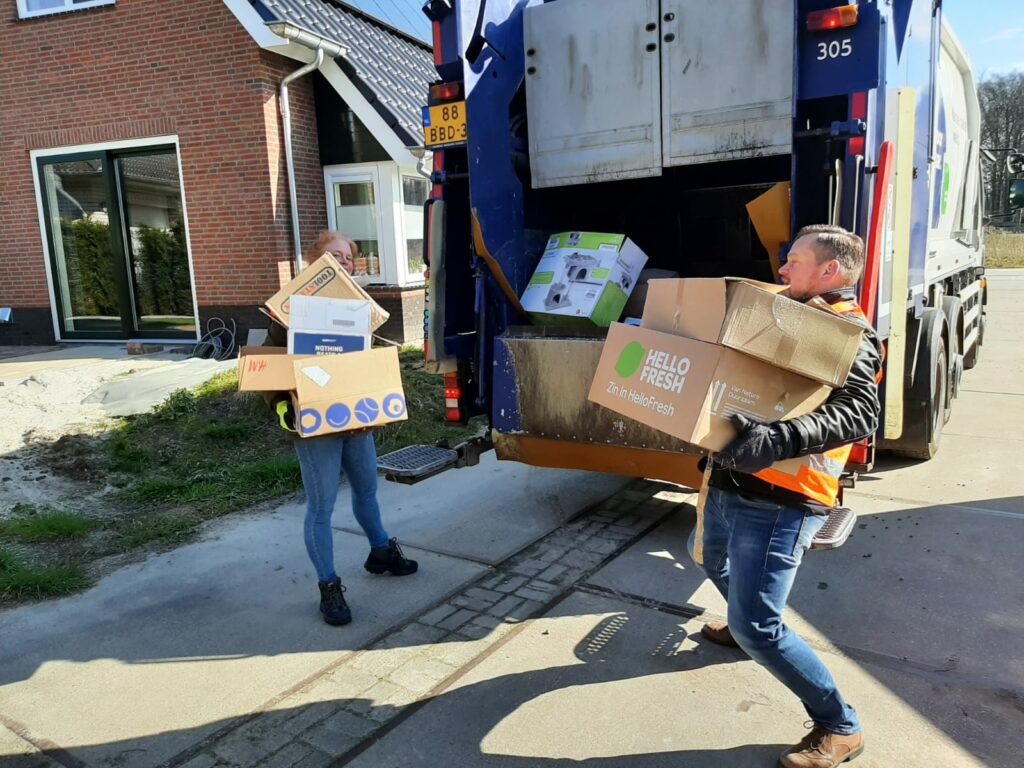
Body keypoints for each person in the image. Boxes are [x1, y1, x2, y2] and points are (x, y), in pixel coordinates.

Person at [690, 224, 882, 768]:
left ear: (830, 270)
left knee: (759, 626)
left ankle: (840, 726)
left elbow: (860, 414)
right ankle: (744, 622)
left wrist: (778, 440)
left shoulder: (850, 333)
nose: (782, 269)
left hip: (781, 498)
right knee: (706, 556)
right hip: (733, 475)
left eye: (794, 260)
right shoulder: (787, 312)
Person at [267, 231, 417, 627]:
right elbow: (269, 367)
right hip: (316, 424)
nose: (344, 263)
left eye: (349, 257)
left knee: (367, 490)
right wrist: (282, 405)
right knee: (321, 508)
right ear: (316, 261)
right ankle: (329, 586)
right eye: (335, 256)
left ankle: (381, 551)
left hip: (355, 420)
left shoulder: (357, 307)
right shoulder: (290, 309)